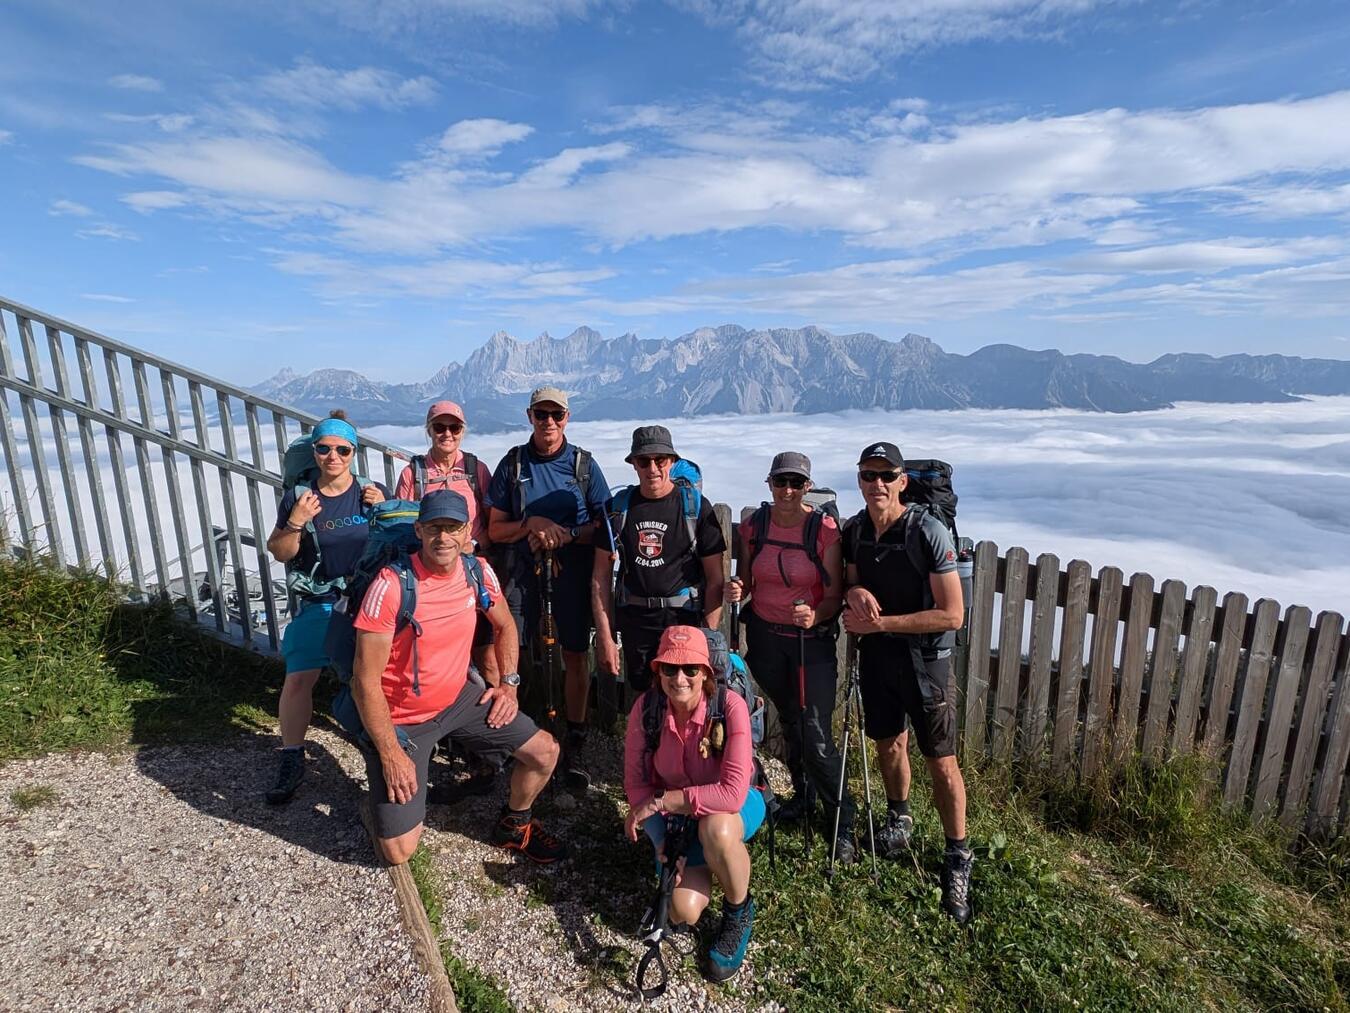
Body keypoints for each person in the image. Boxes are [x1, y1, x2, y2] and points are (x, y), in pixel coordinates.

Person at [351, 489, 567, 865]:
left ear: (468, 532)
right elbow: (363, 681)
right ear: (419, 530)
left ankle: (513, 826)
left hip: (459, 699)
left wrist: (508, 686)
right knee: (398, 851)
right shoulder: (390, 587)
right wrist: (390, 754)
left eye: (453, 528)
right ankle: (381, 788)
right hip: (405, 720)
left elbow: (504, 627)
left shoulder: (477, 571)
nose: (444, 538)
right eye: (435, 527)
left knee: (545, 752)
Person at [840, 441, 972, 923]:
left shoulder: (928, 532)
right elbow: (851, 582)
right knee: (889, 745)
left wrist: (882, 625)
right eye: (867, 475)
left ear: (902, 481)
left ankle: (957, 855)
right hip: (878, 659)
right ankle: (899, 818)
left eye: (885, 475)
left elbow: (953, 615)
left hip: (926, 661)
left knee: (942, 762)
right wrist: (855, 590)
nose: (875, 484)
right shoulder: (856, 532)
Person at [723, 451, 856, 862]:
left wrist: (816, 613)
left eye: (796, 484)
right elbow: (746, 575)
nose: (788, 491)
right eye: (781, 482)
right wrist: (737, 589)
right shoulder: (754, 527)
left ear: (807, 487)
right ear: (769, 484)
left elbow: (836, 594)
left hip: (809, 643)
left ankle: (842, 823)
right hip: (765, 640)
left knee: (815, 732)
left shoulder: (824, 531)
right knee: (793, 721)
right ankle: (804, 797)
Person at [485, 387, 612, 791]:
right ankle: (516, 731)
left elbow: (604, 527)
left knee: (575, 652)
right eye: (542, 415)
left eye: (556, 415)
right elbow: (495, 528)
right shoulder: (513, 464)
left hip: (572, 574)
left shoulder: (584, 467)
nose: (549, 423)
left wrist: (565, 534)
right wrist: (532, 525)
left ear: (567, 418)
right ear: (530, 416)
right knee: (513, 652)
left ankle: (575, 733)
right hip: (523, 573)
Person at [623, 626, 764, 982]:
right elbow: (638, 788)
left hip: (735, 805)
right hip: (677, 817)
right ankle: (708, 865)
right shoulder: (646, 710)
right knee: (683, 912)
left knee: (715, 827)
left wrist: (665, 802)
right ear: (658, 672)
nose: (680, 678)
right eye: (670, 669)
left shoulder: (728, 707)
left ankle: (738, 911)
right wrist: (662, 842)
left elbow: (732, 792)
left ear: (706, 672)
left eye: (690, 669)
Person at [265, 410, 387, 804]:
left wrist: (384, 508)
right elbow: (281, 551)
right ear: (314, 451)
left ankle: (381, 748)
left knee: (368, 679)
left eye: (342, 449)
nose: (333, 457)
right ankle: (291, 755)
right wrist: (296, 521)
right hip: (319, 599)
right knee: (300, 678)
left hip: (365, 599)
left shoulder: (370, 492)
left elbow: (391, 542)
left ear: (354, 452)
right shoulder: (298, 498)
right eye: (324, 449)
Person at [593, 426, 726, 694]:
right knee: (645, 700)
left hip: (684, 619)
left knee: (685, 700)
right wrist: (605, 637)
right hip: (636, 623)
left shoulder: (695, 507)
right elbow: (600, 578)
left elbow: (716, 579)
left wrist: (707, 635)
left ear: (672, 462)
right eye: (644, 461)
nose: (652, 468)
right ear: (634, 464)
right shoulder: (616, 510)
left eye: (660, 460)